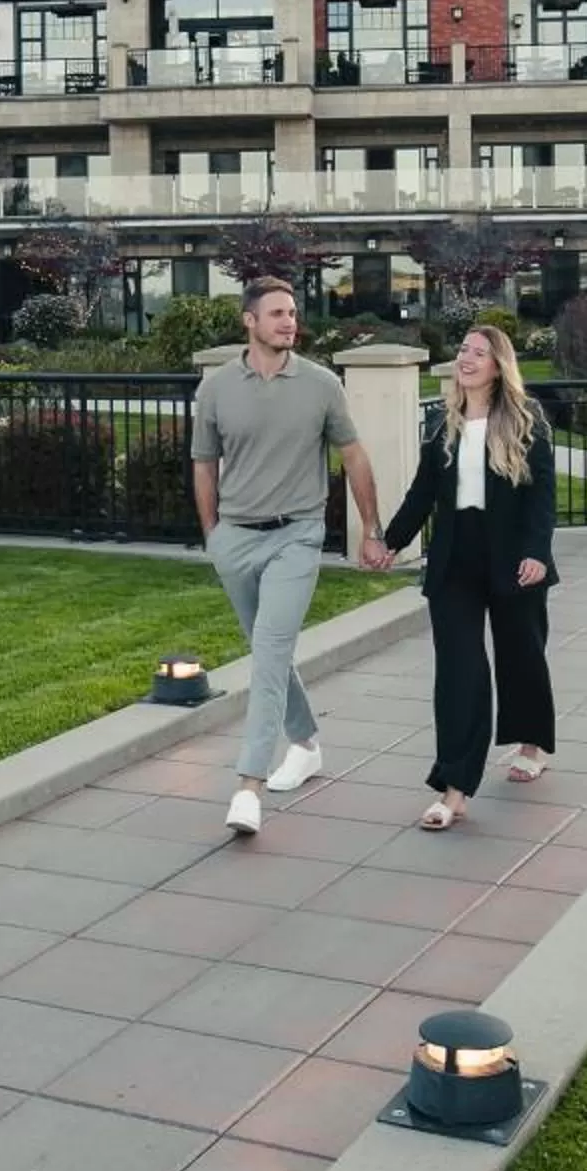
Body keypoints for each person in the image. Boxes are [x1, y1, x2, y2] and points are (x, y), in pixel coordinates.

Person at [191, 277, 387, 837]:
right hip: (236, 538)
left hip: (296, 537)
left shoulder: (322, 385)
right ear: (248, 321)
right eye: (276, 313)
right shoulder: (218, 388)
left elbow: (353, 456)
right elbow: (204, 463)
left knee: (270, 651)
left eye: (293, 313)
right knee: (267, 648)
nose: (289, 321)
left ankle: (248, 786)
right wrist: (213, 536)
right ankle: (305, 744)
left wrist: (369, 529)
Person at [370, 322, 557, 829]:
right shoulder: (442, 422)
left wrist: (538, 552)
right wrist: (389, 541)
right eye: (463, 350)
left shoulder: (526, 419)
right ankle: (454, 788)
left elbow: (542, 496)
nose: (467, 358)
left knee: (521, 654)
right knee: (460, 671)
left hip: (514, 555)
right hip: (456, 559)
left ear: (498, 365)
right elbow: (422, 494)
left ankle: (531, 742)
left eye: (479, 352)